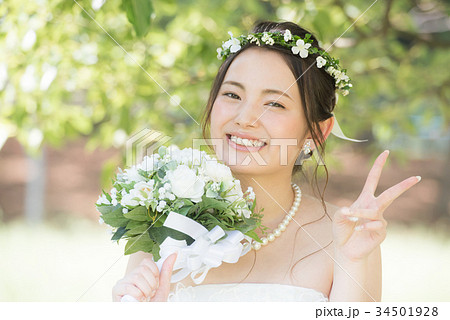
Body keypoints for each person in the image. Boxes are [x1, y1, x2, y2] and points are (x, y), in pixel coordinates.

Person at [112, 20, 421, 302]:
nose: (245, 118)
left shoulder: (344, 239)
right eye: (232, 95)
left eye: (274, 103)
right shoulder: (164, 225)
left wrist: (353, 261)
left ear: (317, 132)